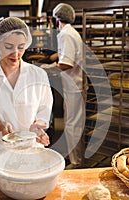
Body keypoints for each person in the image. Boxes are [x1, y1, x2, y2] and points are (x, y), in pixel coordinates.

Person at [0, 17, 54, 173]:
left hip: (31, 151)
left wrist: (38, 127)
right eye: (9, 47)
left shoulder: (38, 75)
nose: (16, 53)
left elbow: (44, 109)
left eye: (21, 47)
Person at [42, 3, 86, 169]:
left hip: (74, 86)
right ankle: (76, 158)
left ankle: (77, 163)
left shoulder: (66, 35)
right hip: (74, 85)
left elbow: (66, 64)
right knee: (72, 124)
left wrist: (47, 69)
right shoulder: (69, 33)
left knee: (72, 126)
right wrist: (48, 58)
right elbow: (62, 54)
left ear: (57, 18)